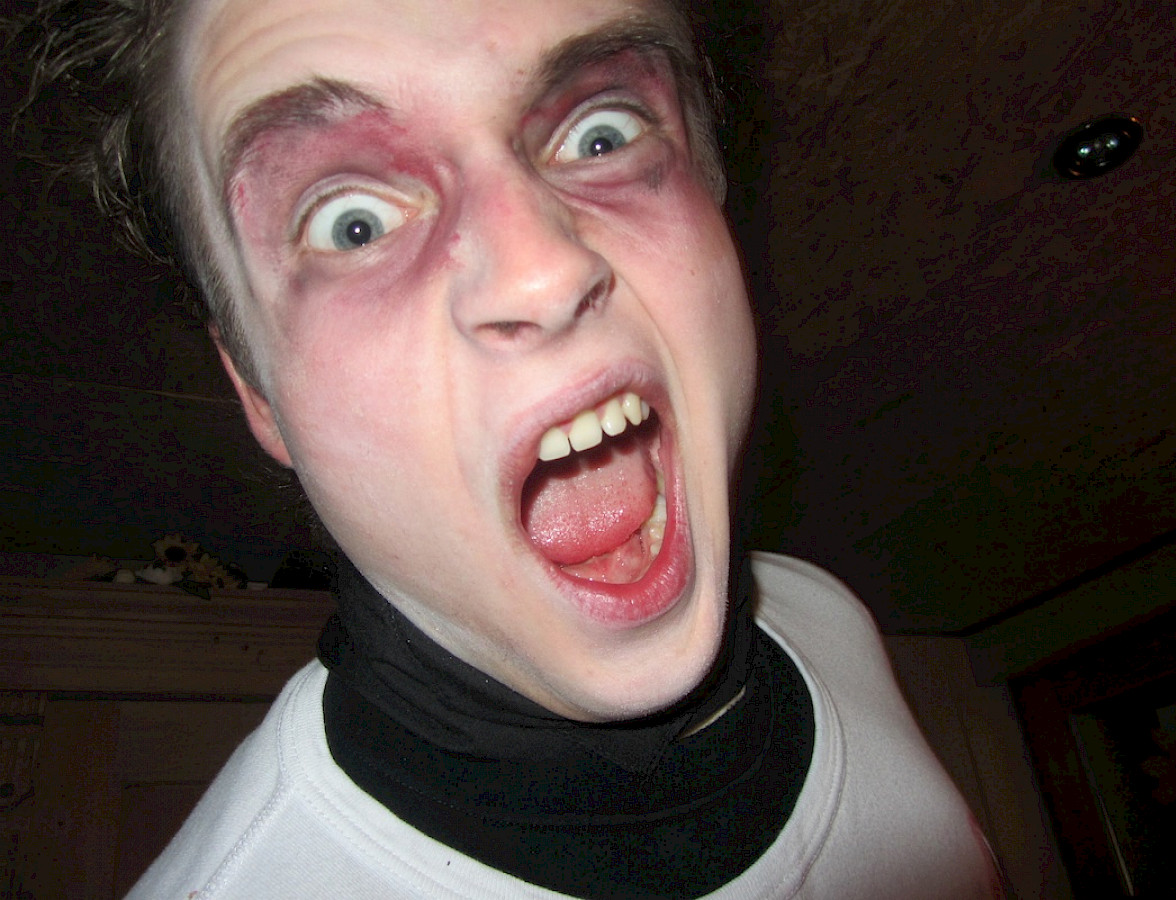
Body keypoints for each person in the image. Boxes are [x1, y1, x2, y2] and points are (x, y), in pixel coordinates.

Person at [12, 0, 1005, 896]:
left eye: (602, 130)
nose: (541, 269)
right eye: (352, 224)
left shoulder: (820, 615)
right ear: (257, 392)